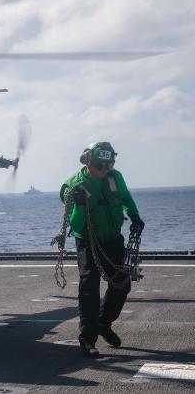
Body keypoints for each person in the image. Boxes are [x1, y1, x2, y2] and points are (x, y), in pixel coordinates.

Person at [60, 142, 144, 358]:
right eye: (100, 166)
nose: (105, 170)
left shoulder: (115, 177)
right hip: (88, 243)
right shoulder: (75, 186)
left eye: (109, 165)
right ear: (88, 162)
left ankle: (103, 323)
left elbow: (125, 197)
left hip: (113, 239)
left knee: (122, 284)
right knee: (89, 288)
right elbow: (76, 225)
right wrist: (79, 206)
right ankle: (87, 339)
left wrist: (134, 215)